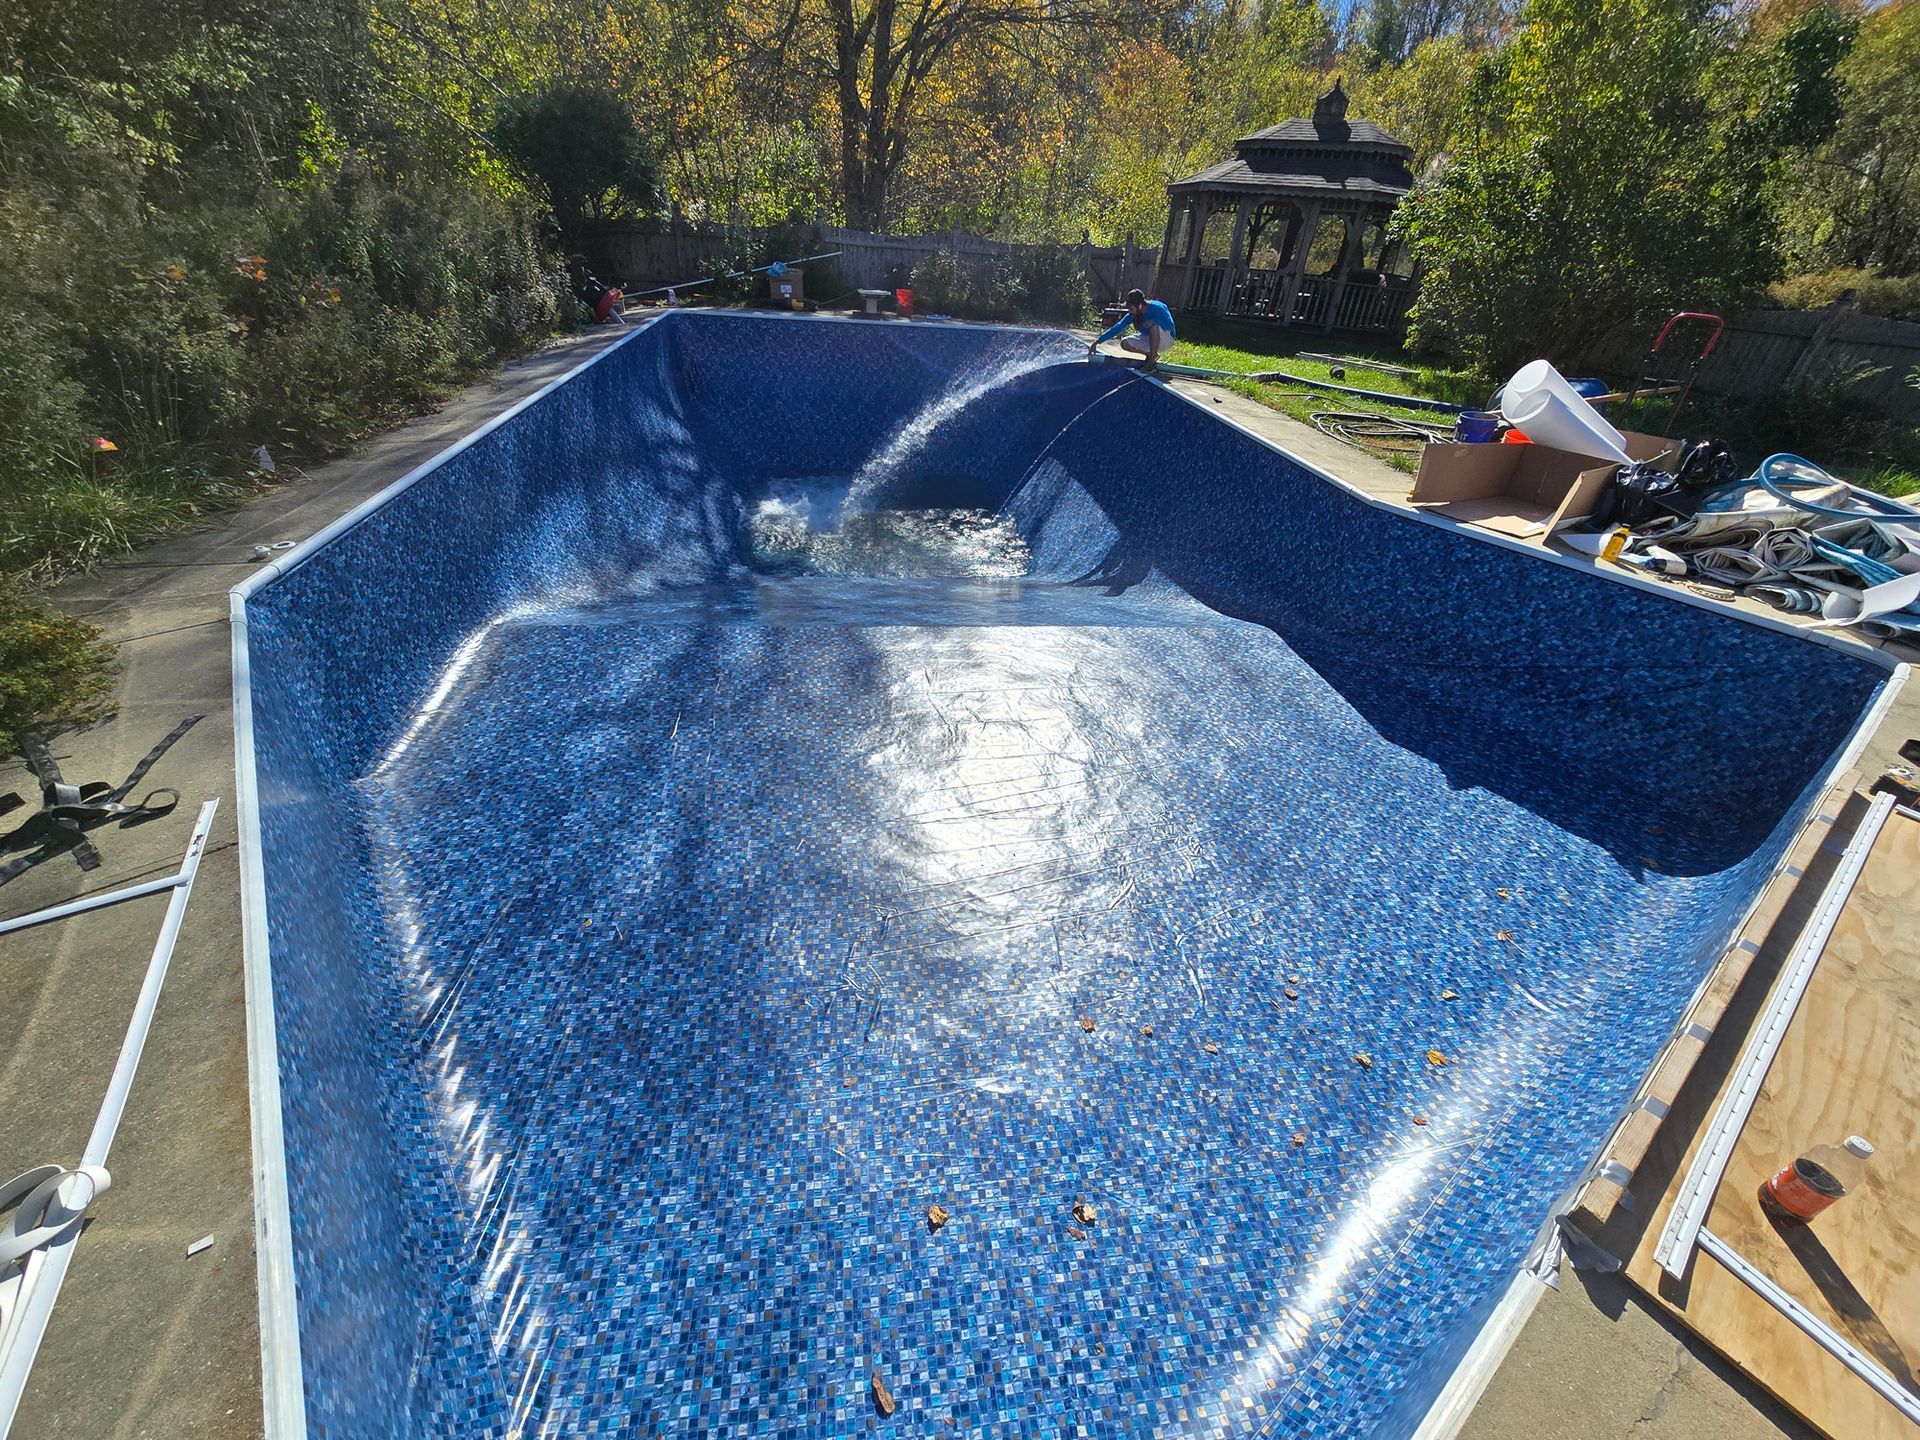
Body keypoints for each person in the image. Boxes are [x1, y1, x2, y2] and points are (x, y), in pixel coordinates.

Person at [1089, 289, 1176, 370]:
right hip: (1149, 339)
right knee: (1125, 343)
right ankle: (1152, 355)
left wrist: (1154, 321)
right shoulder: (1133, 314)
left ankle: (1151, 362)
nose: (1130, 311)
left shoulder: (1158, 308)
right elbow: (1117, 327)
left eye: (1131, 308)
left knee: (1154, 326)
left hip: (1167, 340)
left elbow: (1170, 325)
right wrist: (1097, 342)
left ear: (1140, 305)